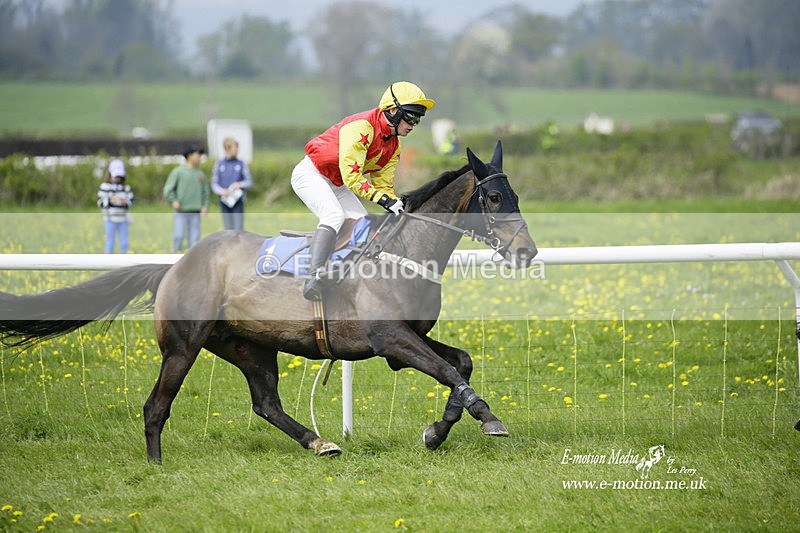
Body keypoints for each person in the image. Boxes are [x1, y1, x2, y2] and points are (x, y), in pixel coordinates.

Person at [291, 81, 435, 300]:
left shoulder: (394, 145)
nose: (414, 125)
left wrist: (394, 203)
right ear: (393, 111)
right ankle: (314, 275)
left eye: (418, 120)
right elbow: (352, 176)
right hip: (310, 174)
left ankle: (342, 273)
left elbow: (383, 184)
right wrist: (383, 200)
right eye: (411, 117)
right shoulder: (362, 127)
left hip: (336, 183)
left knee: (362, 224)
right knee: (334, 214)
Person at [163, 144, 210, 252]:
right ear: (189, 156)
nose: (199, 158)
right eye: (197, 155)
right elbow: (168, 189)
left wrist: (205, 205)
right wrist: (174, 200)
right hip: (181, 212)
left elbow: (205, 192)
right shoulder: (178, 172)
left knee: (194, 240)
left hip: (195, 213)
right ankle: (174, 260)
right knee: (178, 237)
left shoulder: (200, 174)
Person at [210, 137, 253, 230]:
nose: (237, 150)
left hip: (238, 201)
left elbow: (249, 182)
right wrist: (221, 191)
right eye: (235, 148)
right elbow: (214, 183)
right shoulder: (219, 164)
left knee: (238, 230)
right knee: (228, 230)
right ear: (228, 148)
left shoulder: (241, 164)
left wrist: (240, 184)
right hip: (224, 201)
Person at [97, 159, 134, 254]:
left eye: (119, 176)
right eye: (116, 176)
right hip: (110, 219)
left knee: (124, 244)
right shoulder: (105, 186)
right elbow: (100, 202)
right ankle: (107, 263)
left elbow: (131, 202)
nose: (117, 178)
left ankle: (125, 265)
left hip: (123, 220)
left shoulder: (126, 188)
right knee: (110, 243)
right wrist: (110, 200)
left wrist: (125, 201)